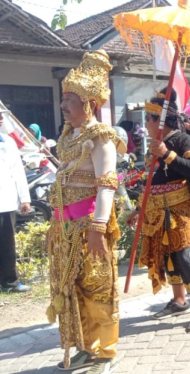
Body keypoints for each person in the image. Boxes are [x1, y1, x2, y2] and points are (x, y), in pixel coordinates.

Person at [46, 50, 125, 374]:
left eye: (70, 100)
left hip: (89, 228)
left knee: (96, 289)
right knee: (70, 289)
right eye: (63, 100)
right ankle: (82, 346)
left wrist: (97, 228)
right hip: (64, 230)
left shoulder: (102, 139)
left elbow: (107, 184)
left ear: (88, 104)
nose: (64, 106)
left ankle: (105, 352)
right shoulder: (69, 139)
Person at [125, 88, 190, 331]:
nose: (147, 125)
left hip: (182, 212)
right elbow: (151, 181)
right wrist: (138, 210)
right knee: (170, 257)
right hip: (160, 212)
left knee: (186, 257)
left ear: (159, 121)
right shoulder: (155, 145)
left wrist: (167, 154)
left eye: (149, 120)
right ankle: (179, 300)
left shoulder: (184, 140)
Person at [0, 110, 31, 293]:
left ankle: (9, 282)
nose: (1, 118)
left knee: (7, 245)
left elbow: (18, 172)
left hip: (6, 201)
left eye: (1, 115)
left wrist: (25, 198)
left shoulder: (8, 142)